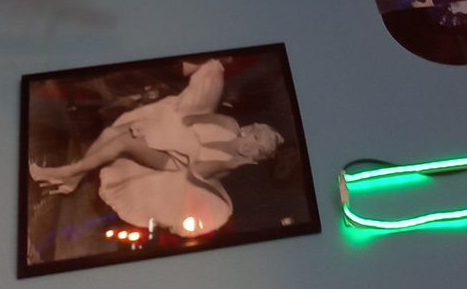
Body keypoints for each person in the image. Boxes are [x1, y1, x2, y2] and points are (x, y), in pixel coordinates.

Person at [29, 58, 285, 236]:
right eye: (256, 136)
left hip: (175, 165)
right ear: (251, 129)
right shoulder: (229, 124)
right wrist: (154, 129)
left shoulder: (230, 165)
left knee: (123, 142)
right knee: (111, 133)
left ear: (257, 157)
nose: (251, 143)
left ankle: (66, 172)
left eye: (258, 148)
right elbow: (191, 119)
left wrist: (232, 160)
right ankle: (74, 178)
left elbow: (197, 170)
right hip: (171, 135)